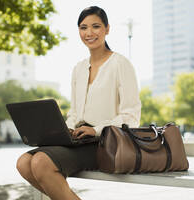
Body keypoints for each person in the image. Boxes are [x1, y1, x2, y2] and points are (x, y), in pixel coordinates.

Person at [16, 6, 141, 200]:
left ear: (107, 29)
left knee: (41, 162)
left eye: (96, 26)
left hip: (105, 143)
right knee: (24, 162)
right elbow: (74, 113)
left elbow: (131, 117)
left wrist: (96, 130)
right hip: (79, 140)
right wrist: (63, 131)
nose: (89, 33)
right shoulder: (79, 68)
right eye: (83, 28)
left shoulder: (120, 64)